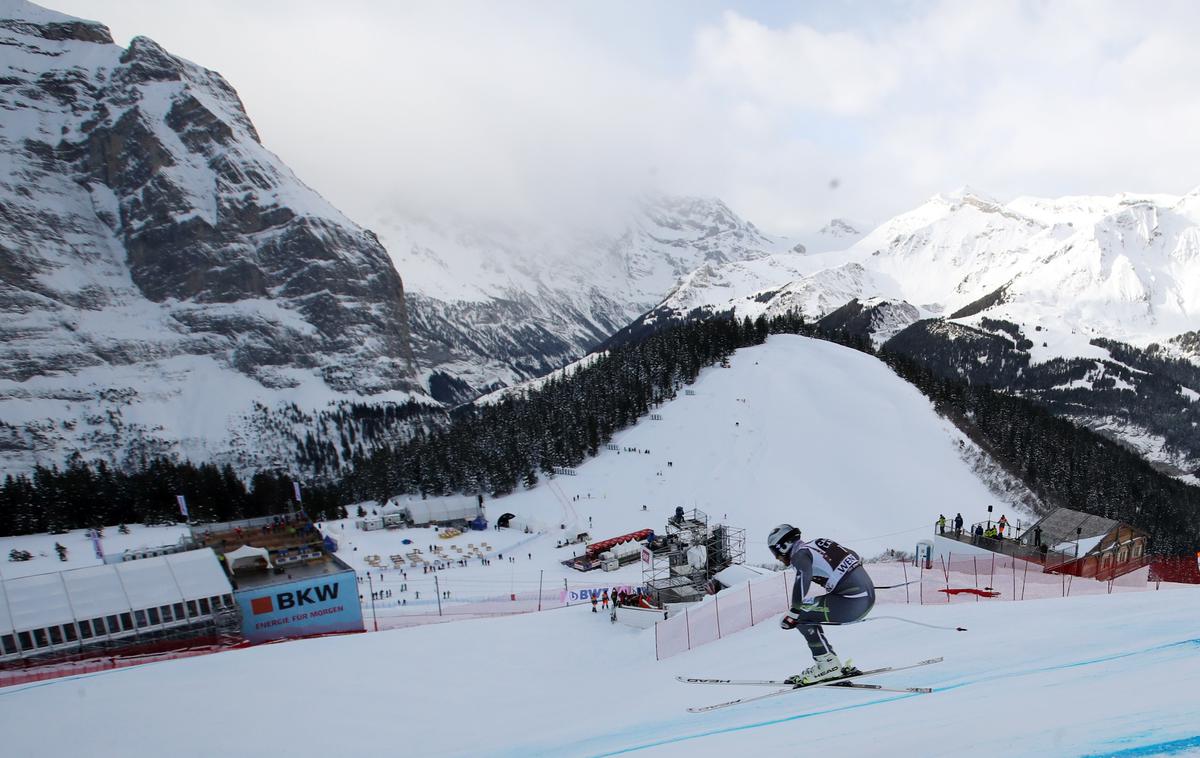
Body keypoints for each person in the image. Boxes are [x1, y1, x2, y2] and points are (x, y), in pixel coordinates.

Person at [768, 524, 875, 685]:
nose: (778, 559)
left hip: (852, 601)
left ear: (785, 546)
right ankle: (830, 664)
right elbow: (853, 555)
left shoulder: (800, 555)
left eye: (777, 554)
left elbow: (803, 577)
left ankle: (827, 665)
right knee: (806, 610)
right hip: (865, 595)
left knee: (801, 613)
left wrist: (794, 611)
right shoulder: (818, 543)